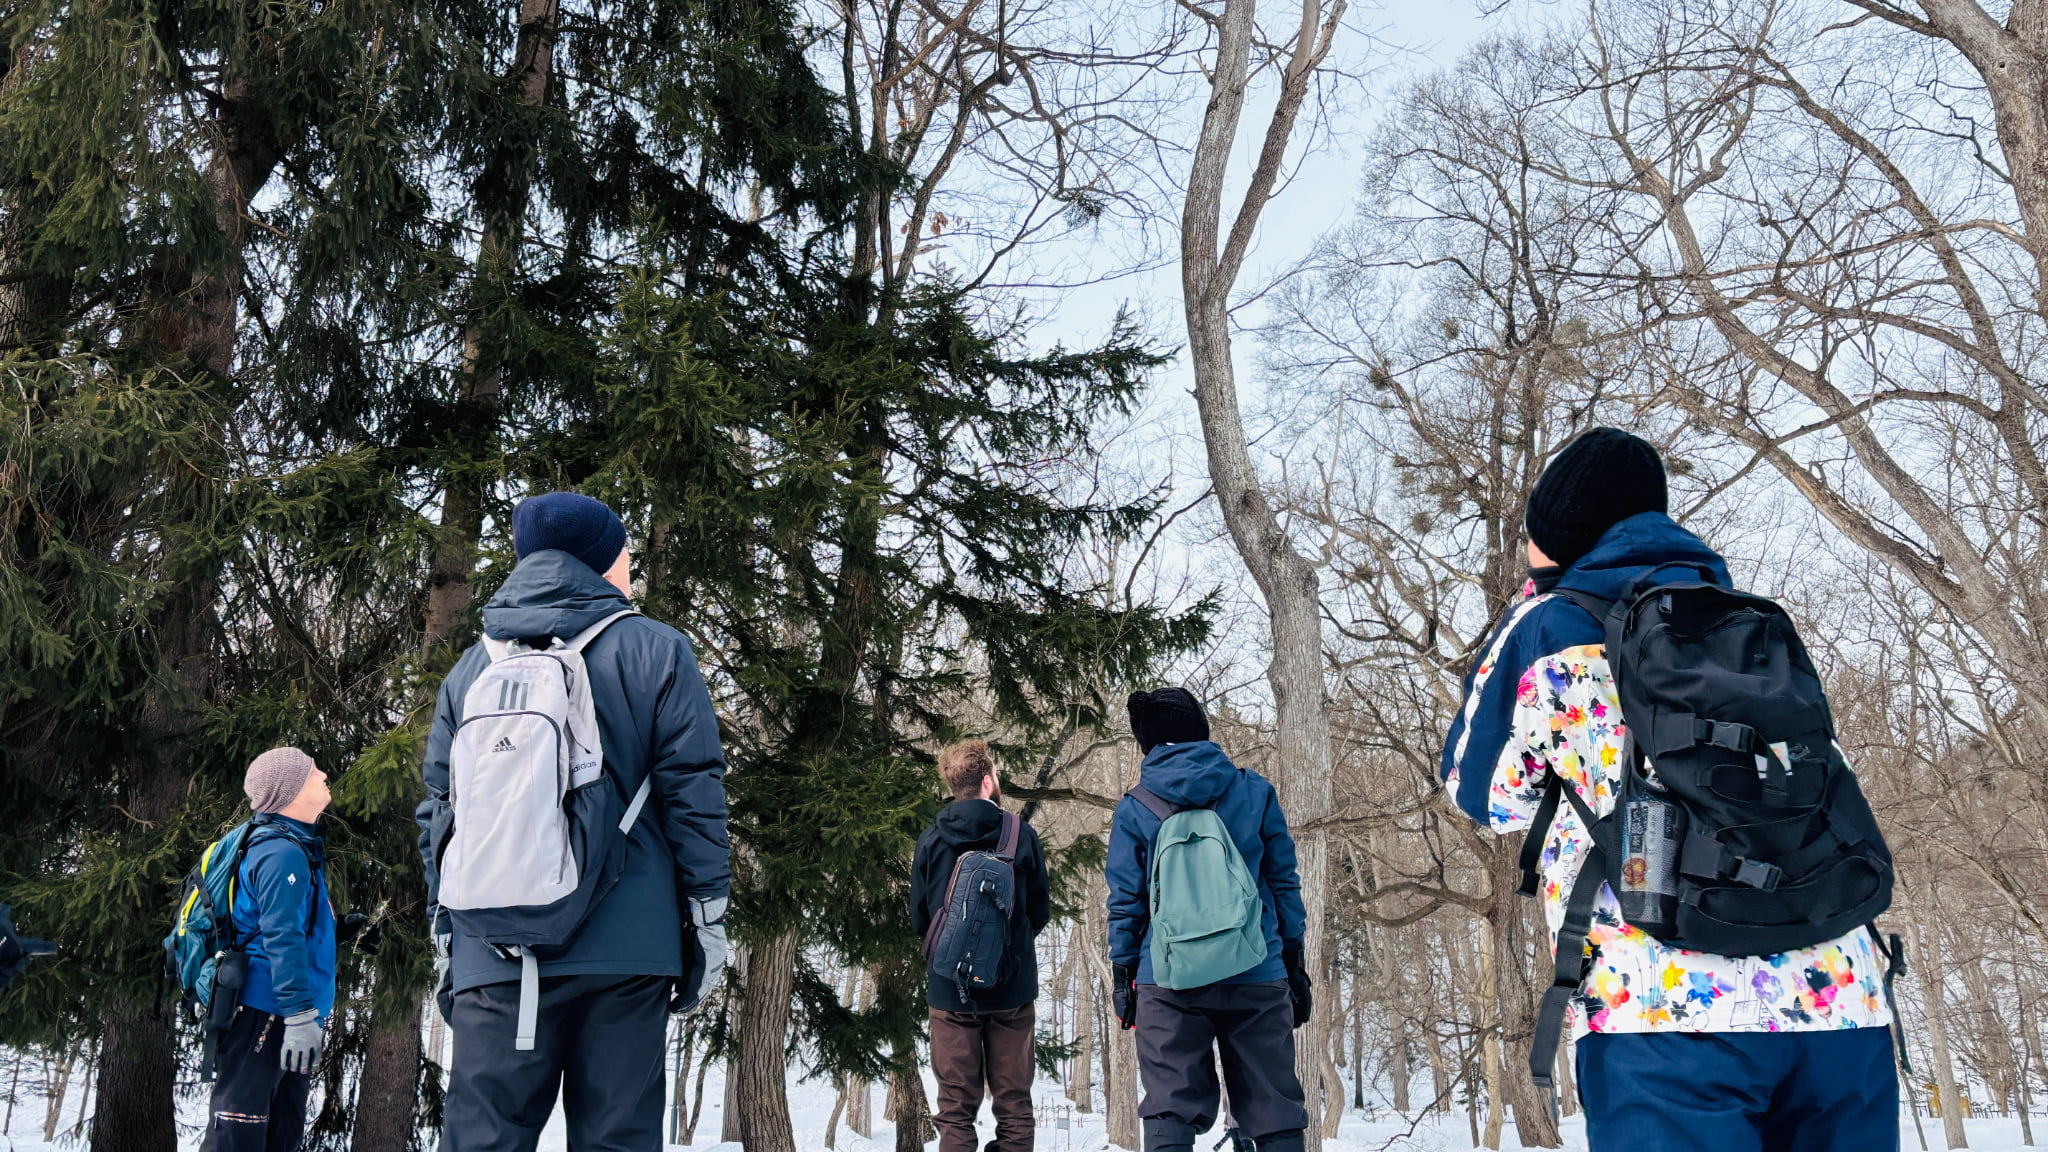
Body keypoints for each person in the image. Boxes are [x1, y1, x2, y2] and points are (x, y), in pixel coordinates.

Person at [1441, 428, 1897, 1151]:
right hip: (1840, 995)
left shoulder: (1547, 625)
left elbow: (1479, 793)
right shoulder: (1746, 619)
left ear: (1557, 537)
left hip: (1662, 1008)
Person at [417, 492, 731, 1152]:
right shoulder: (657, 650)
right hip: (627, 949)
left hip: (494, 948)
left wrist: (448, 928)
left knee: (481, 1143)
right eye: (625, 556)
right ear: (601, 561)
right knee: (617, 1140)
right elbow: (693, 794)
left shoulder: (472, 669)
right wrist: (707, 918)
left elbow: (440, 810)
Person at [1106, 689, 1312, 1152]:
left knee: (1169, 1110)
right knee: (1275, 1112)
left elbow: (1126, 902)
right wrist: (1293, 960)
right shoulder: (1255, 791)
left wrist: (1125, 976)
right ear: (1201, 730)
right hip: (1257, 970)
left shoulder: (1135, 807)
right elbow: (1283, 882)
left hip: (1169, 979)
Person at [911, 739, 1053, 1152]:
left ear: (954, 785)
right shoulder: (1021, 835)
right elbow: (1038, 911)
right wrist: (1005, 952)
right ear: (988, 781)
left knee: (955, 1110)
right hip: (1011, 990)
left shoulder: (931, 838)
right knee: (1014, 1105)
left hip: (949, 991)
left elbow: (920, 919)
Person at [199, 747, 337, 1152]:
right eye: (313, 772)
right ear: (290, 791)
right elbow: (280, 937)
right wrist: (299, 1016)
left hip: (281, 1011)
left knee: (280, 1135)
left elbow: (277, 923)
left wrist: (338, 929)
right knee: (238, 1136)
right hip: (268, 1011)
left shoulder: (291, 845)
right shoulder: (281, 852)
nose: (323, 774)